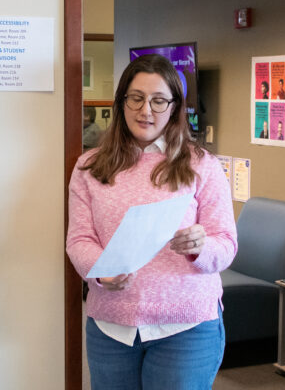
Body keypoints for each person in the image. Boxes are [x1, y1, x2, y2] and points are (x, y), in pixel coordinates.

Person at [67, 54, 237, 390]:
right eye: (136, 98)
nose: (146, 110)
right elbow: (79, 240)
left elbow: (226, 245)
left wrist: (200, 246)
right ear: (122, 102)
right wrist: (101, 271)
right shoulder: (89, 166)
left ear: (174, 107)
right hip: (111, 327)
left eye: (159, 101)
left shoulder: (202, 165)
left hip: (186, 329)